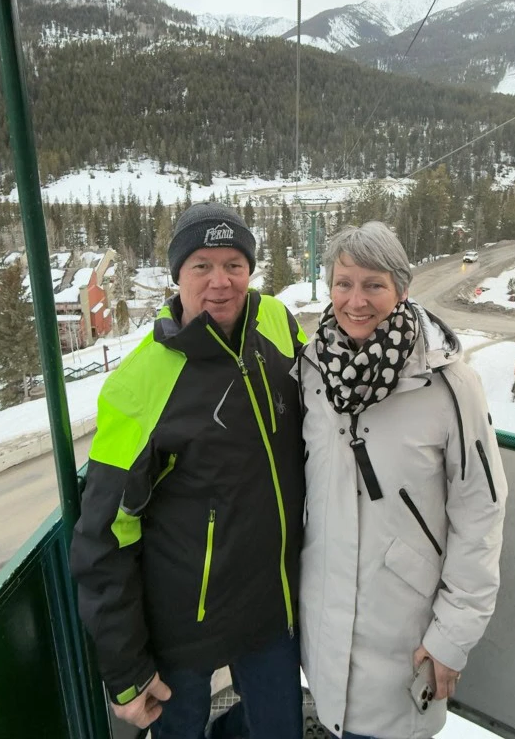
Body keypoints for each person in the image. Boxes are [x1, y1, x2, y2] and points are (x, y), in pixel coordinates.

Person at [71, 202, 307, 739]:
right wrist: (128, 670)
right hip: (183, 626)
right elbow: (103, 537)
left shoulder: (275, 322)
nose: (220, 282)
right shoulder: (138, 386)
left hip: (271, 607)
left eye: (234, 264)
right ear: (177, 276)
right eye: (202, 265)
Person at [297, 222, 507, 739]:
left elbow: (481, 509)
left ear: (402, 290)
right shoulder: (312, 370)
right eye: (344, 283)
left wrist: (452, 636)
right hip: (325, 626)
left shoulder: (448, 383)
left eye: (374, 285)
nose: (356, 300)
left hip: (405, 632)